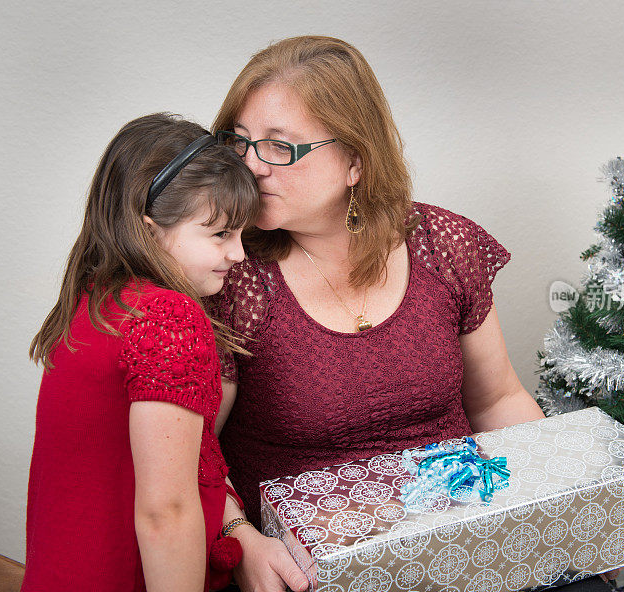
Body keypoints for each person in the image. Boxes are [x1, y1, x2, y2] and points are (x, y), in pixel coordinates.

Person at [206, 36, 549, 592]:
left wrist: (556, 498)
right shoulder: (231, 275)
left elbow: (498, 400)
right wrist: (242, 535)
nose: (250, 167)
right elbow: (192, 452)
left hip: (460, 544)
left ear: (355, 163)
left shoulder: (442, 246)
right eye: (239, 142)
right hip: (314, 568)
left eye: (278, 146)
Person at [22, 113, 259, 592]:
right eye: (220, 234)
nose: (240, 254)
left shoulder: (95, 302)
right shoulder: (167, 318)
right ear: (150, 231)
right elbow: (166, 512)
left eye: (241, 234)